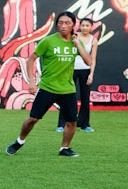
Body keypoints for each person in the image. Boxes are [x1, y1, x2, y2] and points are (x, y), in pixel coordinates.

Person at [5, 11, 93, 157]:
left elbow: (88, 61)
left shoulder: (77, 42)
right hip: (47, 88)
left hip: (67, 89)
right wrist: (32, 82)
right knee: (33, 119)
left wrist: (77, 43)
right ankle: (19, 141)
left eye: (67, 23)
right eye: (60, 23)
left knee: (72, 122)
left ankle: (64, 148)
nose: (63, 26)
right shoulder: (48, 41)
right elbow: (30, 60)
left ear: (73, 25)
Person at [56, 18, 98, 133]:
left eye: (87, 25)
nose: (85, 27)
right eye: (83, 25)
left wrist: (91, 74)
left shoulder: (93, 40)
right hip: (71, 70)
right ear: (79, 26)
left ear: (91, 27)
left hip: (86, 70)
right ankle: (61, 124)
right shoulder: (74, 36)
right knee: (66, 97)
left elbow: (93, 59)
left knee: (85, 98)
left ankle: (84, 124)